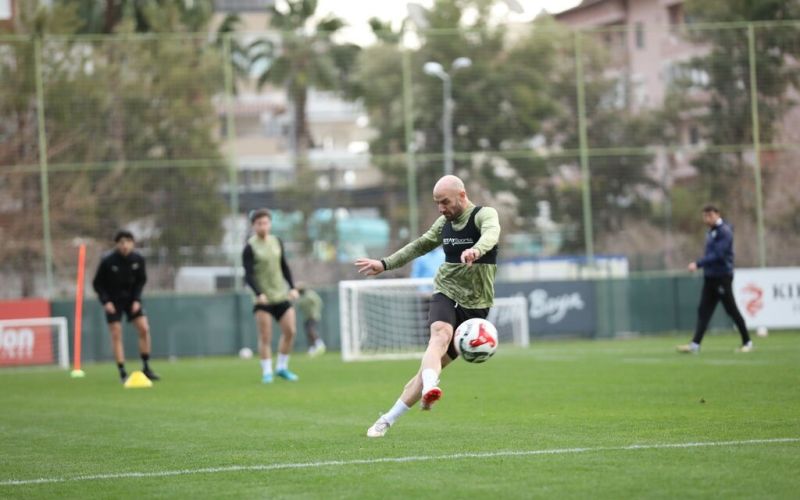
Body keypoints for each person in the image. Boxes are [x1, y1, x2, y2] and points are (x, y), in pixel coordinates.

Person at [355, 175, 501, 438]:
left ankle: (387, 419)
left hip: (476, 308)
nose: (441, 209)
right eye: (437, 204)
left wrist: (476, 251)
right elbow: (420, 245)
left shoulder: (483, 215)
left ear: (462, 195)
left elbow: (492, 233)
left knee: (425, 370)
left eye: (445, 202)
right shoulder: (442, 224)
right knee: (439, 334)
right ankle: (430, 386)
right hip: (445, 290)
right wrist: (384, 263)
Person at [677, 205, 753, 354]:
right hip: (710, 277)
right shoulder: (711, 232)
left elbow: (718, 255)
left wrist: (698, 264)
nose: (707, 219)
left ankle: (747, 342)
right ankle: (695, 345)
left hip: (722, 277)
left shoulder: (724, 231)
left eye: (710, 215)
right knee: (703, 311)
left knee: (731, 310)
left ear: (717, 214)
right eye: (705, 216)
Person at [92, 230, 160, 383]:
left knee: (144, 328)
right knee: (116, 333)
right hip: (113, 302)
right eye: (121, 242)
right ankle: (122, 372)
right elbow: (97, 284)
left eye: (127, 242)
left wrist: (136, 299)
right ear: (116, 244)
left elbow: (141, 281)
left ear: (132, 243)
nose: (124, 245)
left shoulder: (138, 259)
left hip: (131, 300)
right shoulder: (107, 261)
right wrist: (106, 302)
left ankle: (146, 367)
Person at [243, 209, 300, 383]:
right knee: (266, 336)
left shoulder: (277, 242)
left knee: (290, 331)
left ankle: (282, 367)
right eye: (259, 223)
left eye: (266, 222)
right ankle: (267, 371)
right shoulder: (250, 247)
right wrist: (258, 293)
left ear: (270, 224)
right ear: (254, 226)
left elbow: (284, 266)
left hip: (280, 295)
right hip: (263, 299)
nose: (263, 226)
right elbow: (248, 274)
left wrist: (292, 287)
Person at [295, 284, 326, 357]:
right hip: (306, 317)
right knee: (308, 333)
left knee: (311, 329)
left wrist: (315, 312)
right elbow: (299, 306)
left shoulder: (310, 295)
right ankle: (312, 348)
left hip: (313, 316)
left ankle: (320, 344)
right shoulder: (301, 297)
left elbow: (318, 302)